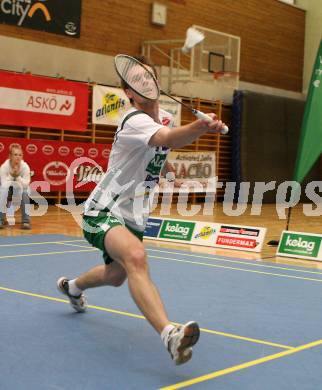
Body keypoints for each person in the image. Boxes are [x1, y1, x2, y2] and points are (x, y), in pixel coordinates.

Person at [57, 56, 226, 365]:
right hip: (103, 209)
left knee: (116, 275)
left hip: (134, 217)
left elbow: (161, 149)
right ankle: (170, 335)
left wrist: (172, 168)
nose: (146, 81)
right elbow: (166, 138)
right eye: (138, 79)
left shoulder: (160, 122)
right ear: (129, 92)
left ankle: (72, 287)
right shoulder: (134, 120)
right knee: (136, 257)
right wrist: (202, 126)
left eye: (150, 76)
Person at [0, 144, 31, 229]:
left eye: (20, 155)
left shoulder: (25, 167)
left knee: (25, 192)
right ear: (10, 156)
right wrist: (11, 175)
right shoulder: (4, 167)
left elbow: (26, 184)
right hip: (8, 191)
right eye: (15, 154)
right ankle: (1, 220)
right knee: (3, 191)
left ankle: (26, 222)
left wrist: (17, 176)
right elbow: (3, 185)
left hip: (20, 191)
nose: (18, 157)